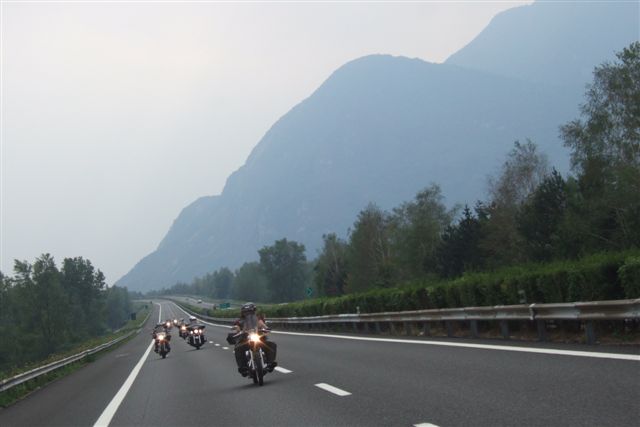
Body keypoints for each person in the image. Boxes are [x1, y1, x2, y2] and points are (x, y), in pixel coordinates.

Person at [227, 302, 277, 376]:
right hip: (245, 340)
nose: (248, 313)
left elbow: (262, 324)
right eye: (246, 312)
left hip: (259, 338)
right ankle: (243, 368)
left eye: (250, 311)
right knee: (237, 348)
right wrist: (237, 329)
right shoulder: (239, 320)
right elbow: (237, 327)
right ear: (243, 312)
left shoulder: (258, 319)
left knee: (272, 344)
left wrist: (266, 328)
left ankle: (270, 363)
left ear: (254, 311)